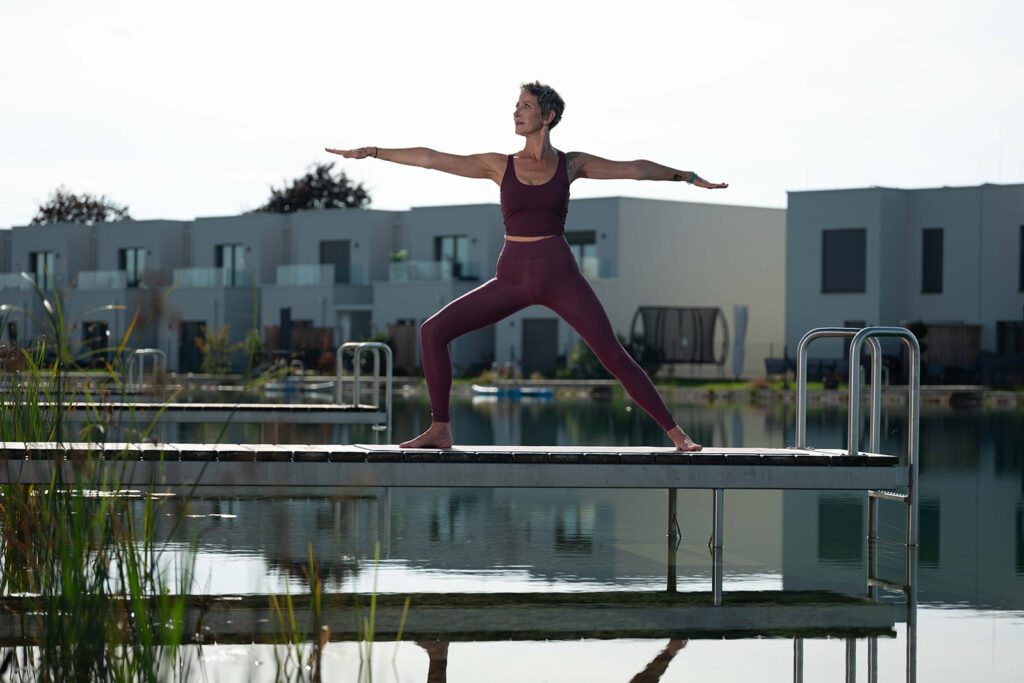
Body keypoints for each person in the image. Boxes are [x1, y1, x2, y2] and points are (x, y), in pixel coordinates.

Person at [327, 82, 727, 451]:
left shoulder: (571, 165)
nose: (516, 113)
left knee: (612, 354)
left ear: (548, 116)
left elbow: (636, 168)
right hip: (513, 276)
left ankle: (678, 435)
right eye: (516, 106)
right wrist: (376, 152)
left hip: (559, 274)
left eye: (526, 106)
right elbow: (433, 159)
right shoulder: (498, 165)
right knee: (433, 331)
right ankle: (441, 428)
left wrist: (688, 177)